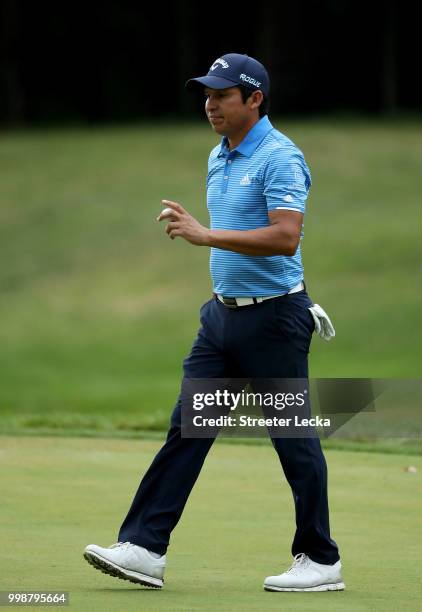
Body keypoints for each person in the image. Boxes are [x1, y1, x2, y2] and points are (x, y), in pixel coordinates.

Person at [84, 52, 344, 592]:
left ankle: (321, 559)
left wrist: (205, 236)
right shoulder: (219, 155)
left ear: (254, 99)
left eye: (222, 95)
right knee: (187, 430)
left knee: (292, 439)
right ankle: (145, 548)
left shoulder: (280, 156)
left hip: (274, 319)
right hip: (222, 321)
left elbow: (286, 236)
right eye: (207, 95)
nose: (210, 104)